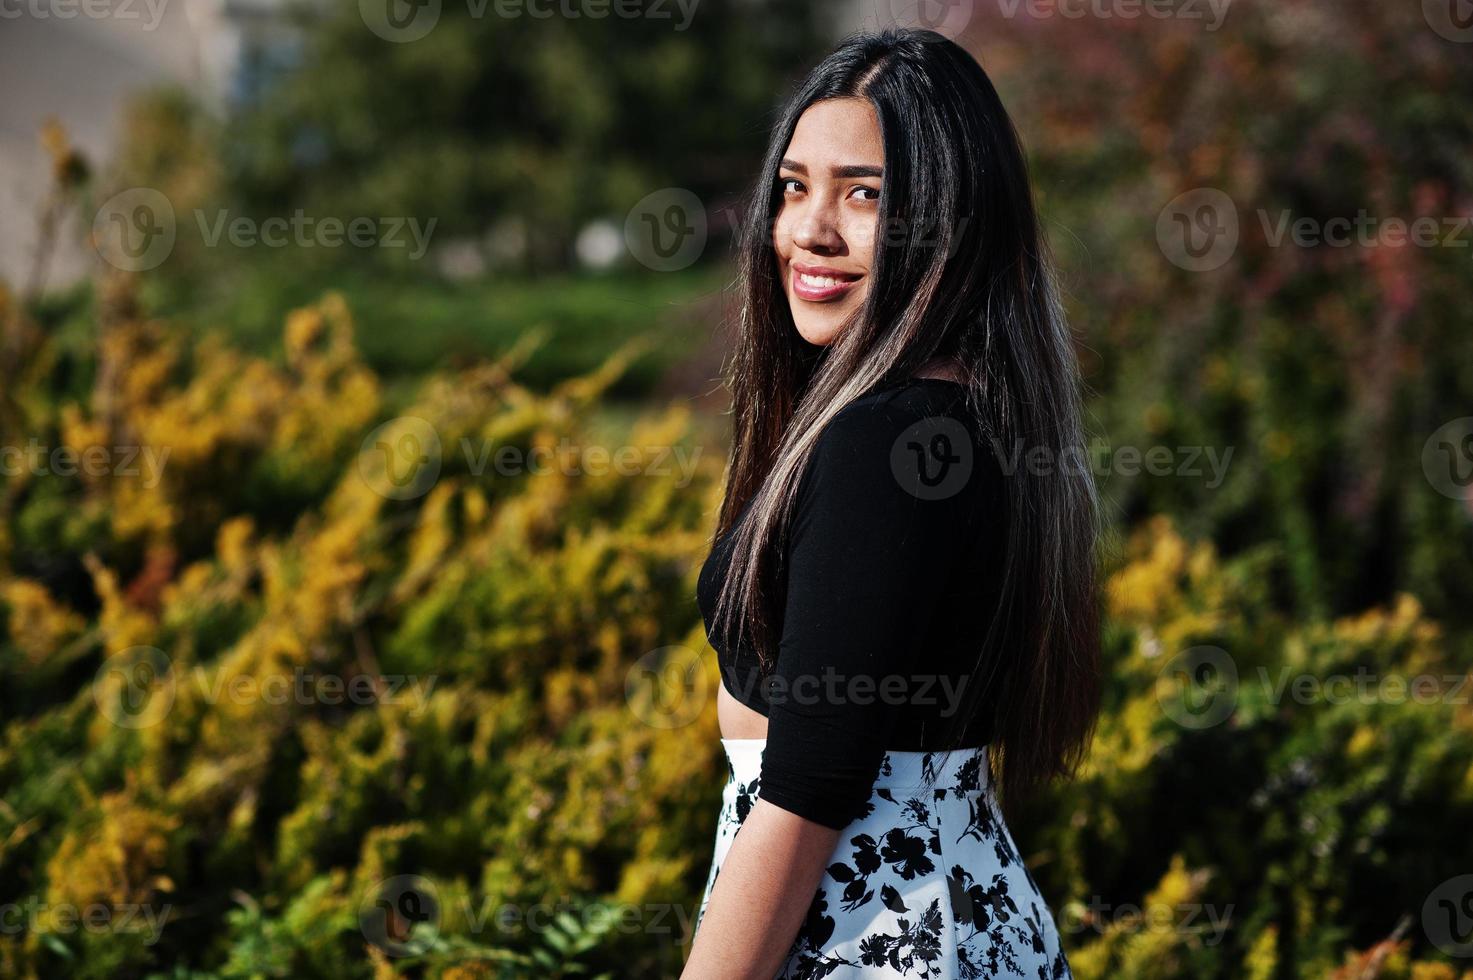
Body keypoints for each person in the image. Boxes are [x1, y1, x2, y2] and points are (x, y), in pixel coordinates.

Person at [682, 28, 1102, 979]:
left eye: (863, 195)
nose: (809, 231)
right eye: (794, 187)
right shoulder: (957, 416)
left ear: (951, 219)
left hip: (871, 938)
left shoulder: (891, 443)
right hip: (929, 917)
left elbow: (806, 794)